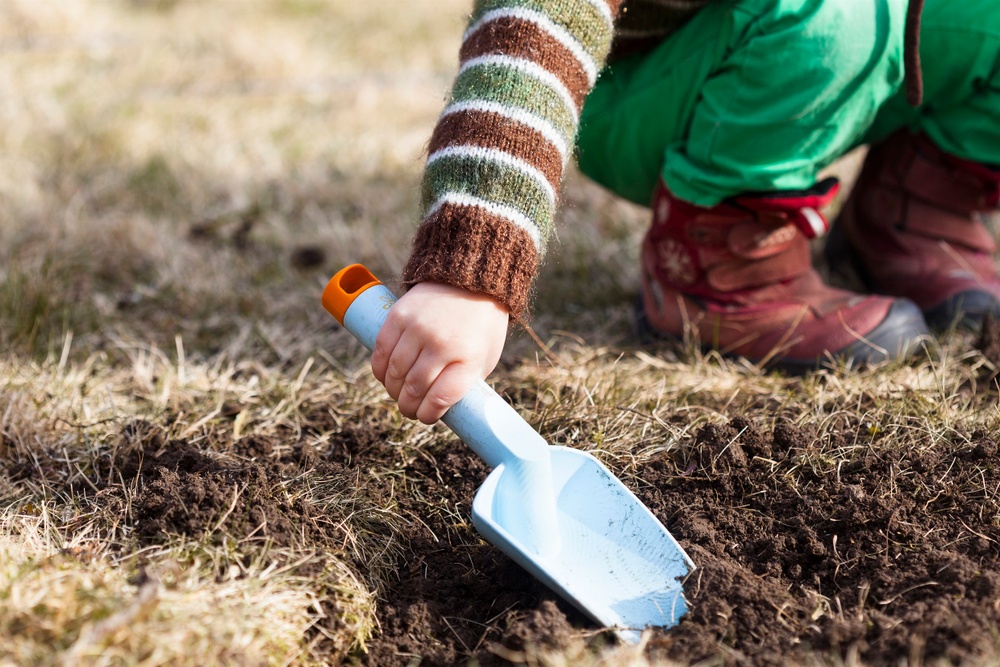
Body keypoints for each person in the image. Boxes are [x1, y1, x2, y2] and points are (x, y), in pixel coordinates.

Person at [371, 0, 1000, 425]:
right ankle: (714, 265)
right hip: (642, 91)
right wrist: (467, 275)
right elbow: (528, 40)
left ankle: (914, 208)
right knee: (827, 12)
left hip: (844, 51)